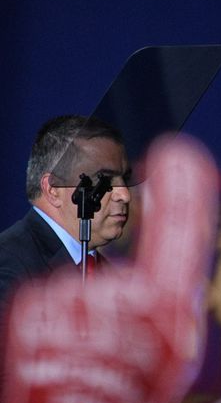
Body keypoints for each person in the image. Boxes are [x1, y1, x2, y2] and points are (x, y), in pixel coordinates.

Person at [0, 116, 132, 332]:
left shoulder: (110, 278)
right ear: (53, 189)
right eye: (104, 179)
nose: (124, 195)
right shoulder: (10, 267)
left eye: (124, 179)